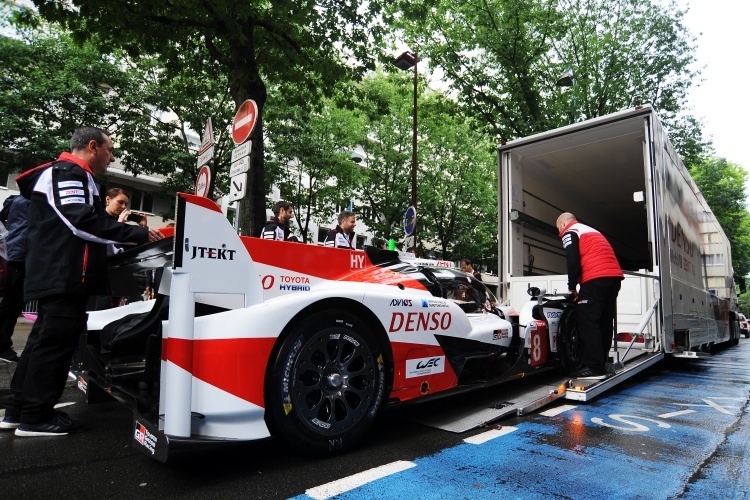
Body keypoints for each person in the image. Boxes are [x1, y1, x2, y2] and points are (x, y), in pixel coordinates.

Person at [0, 126, 164, 437]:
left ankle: (19, 410)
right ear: (92, 146)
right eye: (109, 150)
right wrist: (138, 234)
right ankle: (36, 417)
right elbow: (80, 222)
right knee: (54, 345)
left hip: (59, 271)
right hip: (64, 272)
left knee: (42, 343)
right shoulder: (68, 172)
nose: (111, 157)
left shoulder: (69, 174)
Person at [556, 212, 624, 380]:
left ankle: (594, 368)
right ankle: (602, 363)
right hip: (613, 278)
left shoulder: (570, 231)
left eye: (558, 228)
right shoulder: (589, 230)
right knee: (604, 321)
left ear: (563, 224)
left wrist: (572, 288)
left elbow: (572, 260)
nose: (559, 232)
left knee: (587, 319)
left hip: (595, 279)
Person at [0, 195, 30, 363]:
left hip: (16, 254)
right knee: (12, 304)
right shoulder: (30, 200)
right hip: (20, 256)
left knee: (12, 303)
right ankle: (2, 345)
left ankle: (3, 344)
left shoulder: (18, 200)